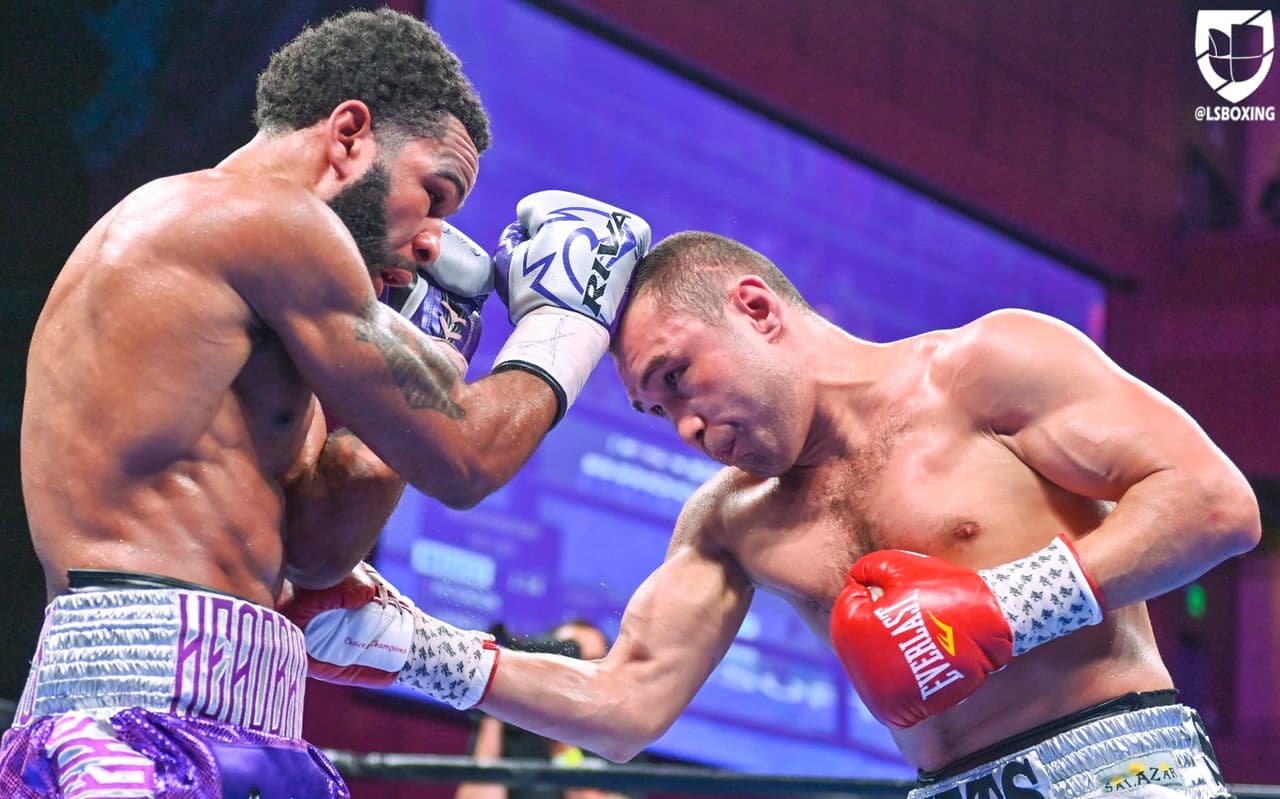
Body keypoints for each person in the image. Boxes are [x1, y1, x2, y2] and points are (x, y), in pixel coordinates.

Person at [284, 232, 1260, 797]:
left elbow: (1210, 504)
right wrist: (417, 649)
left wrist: (1007, 603)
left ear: (755, 307)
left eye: (679, 378)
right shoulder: (730, 519)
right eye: (657, 410)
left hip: (1116, 764)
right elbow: (625, 705)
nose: (688, 427)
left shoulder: (986, 368)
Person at [3, 7, 649, 798]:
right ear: (348, 135)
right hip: (137, 726)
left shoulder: (244, 290)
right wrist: (566, 321)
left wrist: (438, 344)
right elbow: (467, 458)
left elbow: (312, 549)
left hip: (220, 718)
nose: (433, 242)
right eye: (434, 194)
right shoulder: (265, 220)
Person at [455, 621, 634, 799]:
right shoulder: (515, 727)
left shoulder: (619, 736)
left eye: (591, 663)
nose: (581, 677)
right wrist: (496, 699)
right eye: (572, 662)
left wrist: (563, 746)